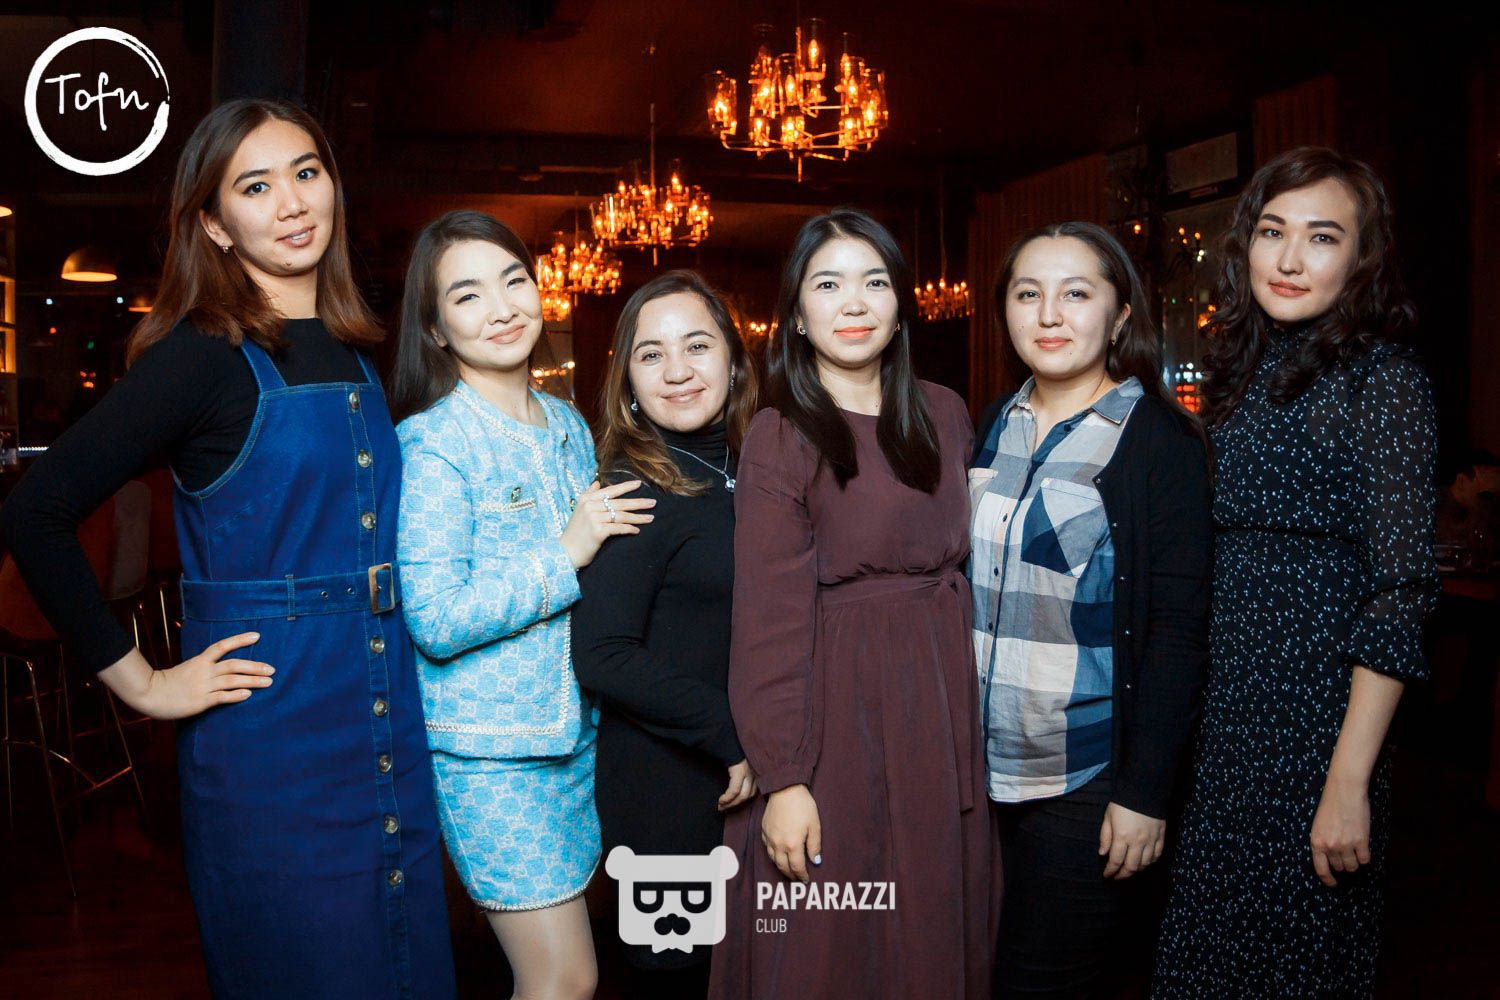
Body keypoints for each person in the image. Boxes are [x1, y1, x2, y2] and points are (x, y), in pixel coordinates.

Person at [0, 99, 457, 998]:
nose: (291, 203)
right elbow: (35, 513)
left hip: (389, 723)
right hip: (273, 741)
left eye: (306, 172)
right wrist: (143, 683)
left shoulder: (358, 350)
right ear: (213, 224)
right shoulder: (201, 358)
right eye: (255, 186)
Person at [1153, 147, 1439, 998]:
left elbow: (1401, 595)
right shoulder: (1248, 372)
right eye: (1272, 232)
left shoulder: (1384, 381)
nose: (1288, 258)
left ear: (1362, 258)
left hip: (1319, 724)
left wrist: (1348, 783)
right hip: (1229, 720)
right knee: (1206, 959)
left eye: (1322, 237)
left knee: (1297, 962)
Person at [708, 208, 999, 1000]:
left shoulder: (945, 411)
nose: (855, 303)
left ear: (901, 306)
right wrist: (784, 779)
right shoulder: (780, 435)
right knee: (833, 943)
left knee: (929, 925)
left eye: (874, 282)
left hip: (938, 708)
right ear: (798, 316)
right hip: (836, 715)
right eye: (828, 285)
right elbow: (767, 623)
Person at [388, 209, 651, 1000]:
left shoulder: (566, 422)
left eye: (514, 281)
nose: (502, 308)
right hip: (491, 755)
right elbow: (435, 619)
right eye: (467, 296)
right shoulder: (433, 443)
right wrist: (565, 552)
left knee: (575, 971)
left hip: (580, 735)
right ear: (434, 329)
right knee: (564, 978)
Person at [970, 222, 1212, 998]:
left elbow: (1177, 634)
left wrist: (1143, 794)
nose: (1049, 314)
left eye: (1076, 293)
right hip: (975, 772)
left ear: (1119, 315)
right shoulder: (991, 425)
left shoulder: (1158, 443)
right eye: (1028, 293)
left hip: (1082, 775)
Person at [570, 270, 761, 999]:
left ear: (734, 360)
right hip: (667, 787)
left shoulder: (759, 466)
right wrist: (729, 732)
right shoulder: (631, 488)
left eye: (697, 345)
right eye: (651, 354)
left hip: (753, 779)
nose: (678, 370)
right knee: (677, 980)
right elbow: (602, 655)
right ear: (627, 383)